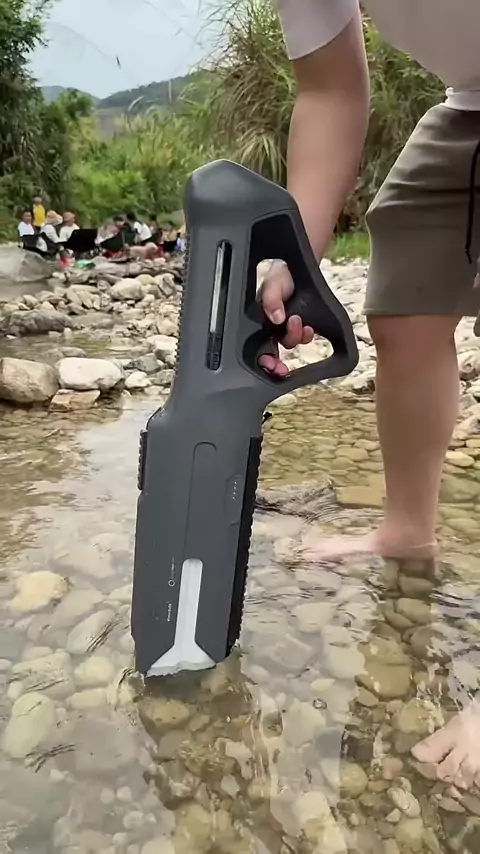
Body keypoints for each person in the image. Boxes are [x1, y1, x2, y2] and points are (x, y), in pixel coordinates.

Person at [262, 0, 480, 790]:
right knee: (406, 304)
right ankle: (407, 529)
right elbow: (330, 89)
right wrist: (293, 258)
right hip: (470, 102)